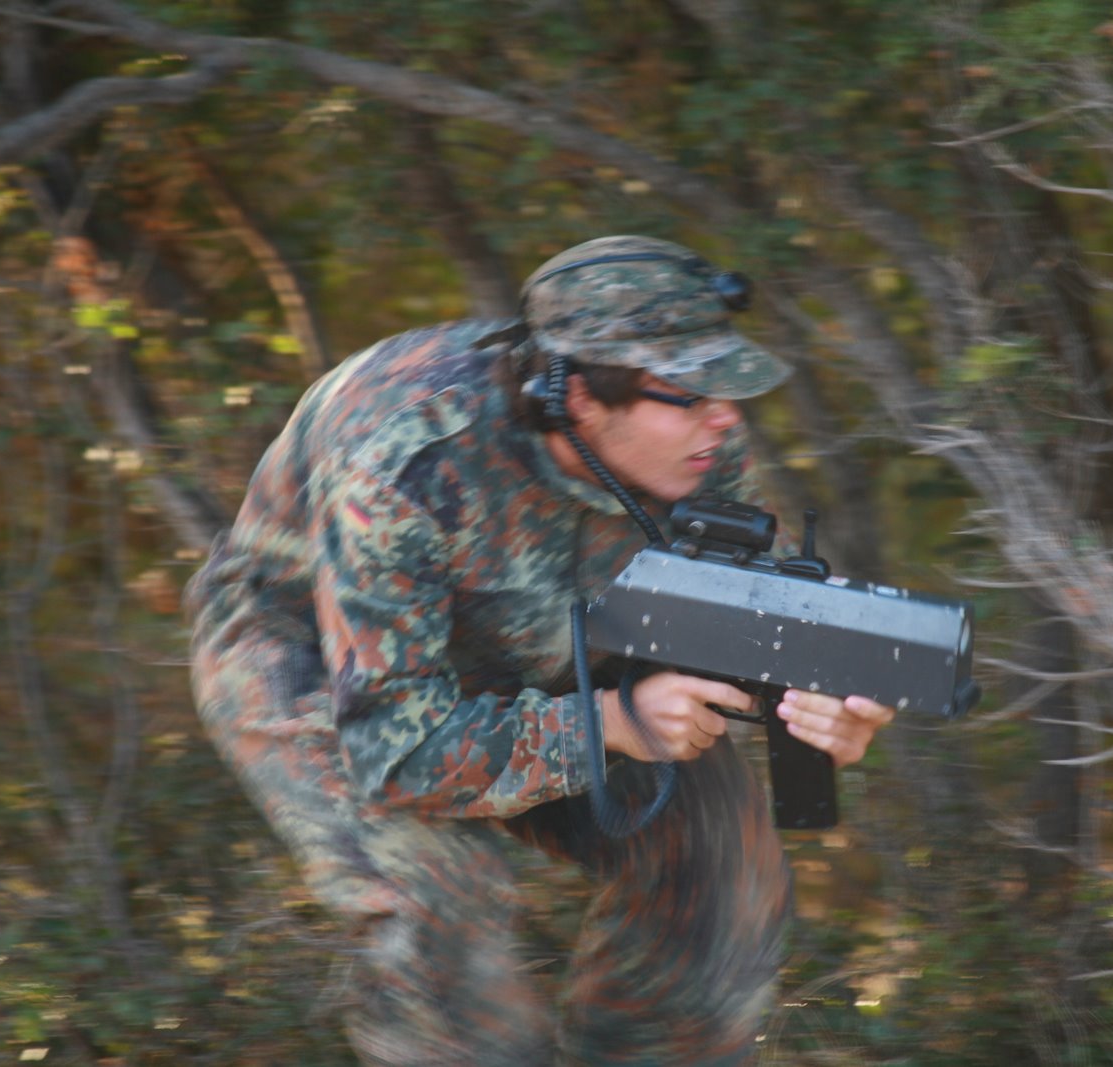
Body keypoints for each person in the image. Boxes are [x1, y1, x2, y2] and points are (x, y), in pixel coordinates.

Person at [184, 234, 896, 1065]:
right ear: (582, 397)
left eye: (724, 387)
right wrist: (614, 722)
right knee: (444, 898)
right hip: (322, 665)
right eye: (691, 393)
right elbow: (394, 749)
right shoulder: (407, 460)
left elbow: (745, 606)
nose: (725, 417)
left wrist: (822, 703)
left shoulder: (698, 445)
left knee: (721, 862)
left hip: (557, 647)